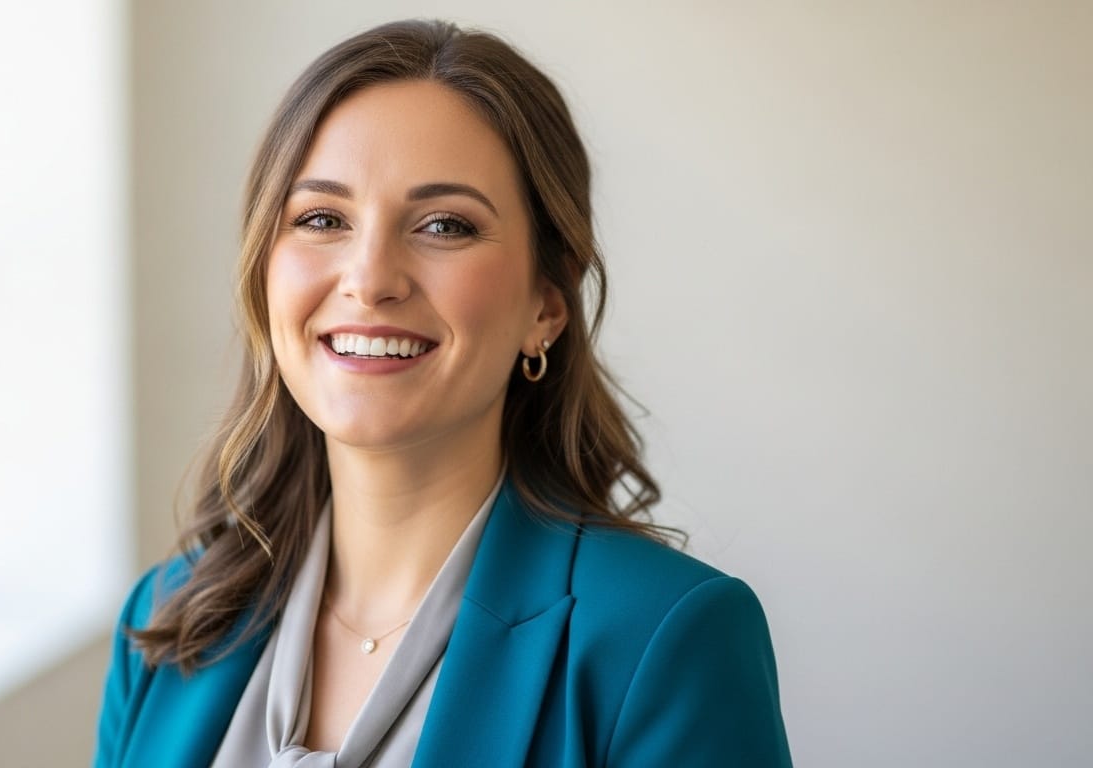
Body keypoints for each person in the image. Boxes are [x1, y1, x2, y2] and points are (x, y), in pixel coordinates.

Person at [95, 18, 791, 767]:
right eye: (322, 218)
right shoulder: (165, 622)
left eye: (444, 225)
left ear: (546, 307)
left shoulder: (666, 639)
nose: (369, 279)